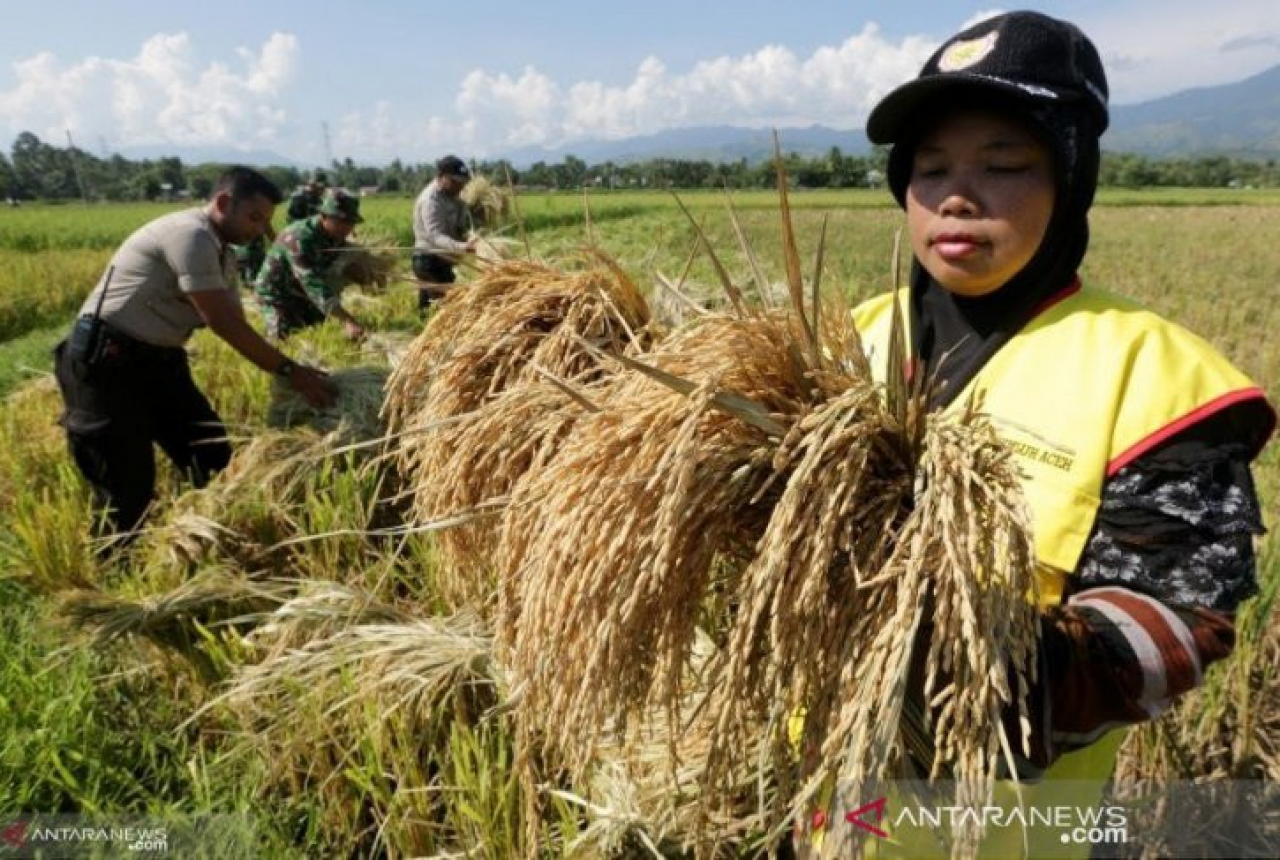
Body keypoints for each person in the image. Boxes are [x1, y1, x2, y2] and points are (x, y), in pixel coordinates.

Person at [843, 10, 1275, 854]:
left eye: (1004, 164)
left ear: (1070, 178)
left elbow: (1175, 623)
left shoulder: (1155, 376)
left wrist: (947, 672)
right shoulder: (841, 345)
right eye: (929, 168)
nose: (956, 195)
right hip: (829, 815)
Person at [53, 166, 336, 542]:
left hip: (159, 363)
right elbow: (221, 322)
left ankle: (209, 538)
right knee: (125, 484)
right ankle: (115, 575)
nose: (258, 229)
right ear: (222, 202)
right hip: (108, 364)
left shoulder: (223, 254)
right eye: (253, 217)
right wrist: (289, 370)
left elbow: (236, 318)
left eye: (264, 220)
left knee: (210, 452)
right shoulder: (190, 235)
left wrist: (292, 362)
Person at [252, 188, 367, 341]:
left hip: (301, 293)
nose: (347, 228)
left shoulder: (335, 235)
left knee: (319, 328)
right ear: (324, 216)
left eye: (350, 222)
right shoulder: (300, 238)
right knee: (282, 337)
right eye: (341, 222)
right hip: (277, 293)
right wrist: (346, 320)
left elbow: (336, 262)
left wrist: (357, 272)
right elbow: (313, 284)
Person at [412, 155, 477, 311]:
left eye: (462, 182)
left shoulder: (454, 196)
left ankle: (421, 326)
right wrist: (462, 247)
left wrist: (470, 233)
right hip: (428, 260)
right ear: (442, 177)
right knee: (447, 304)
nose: (460, 187)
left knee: (430, 306)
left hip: (444, 259)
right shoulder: (431, 201)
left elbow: (461, 225)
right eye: (455, 182)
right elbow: (435, 236)